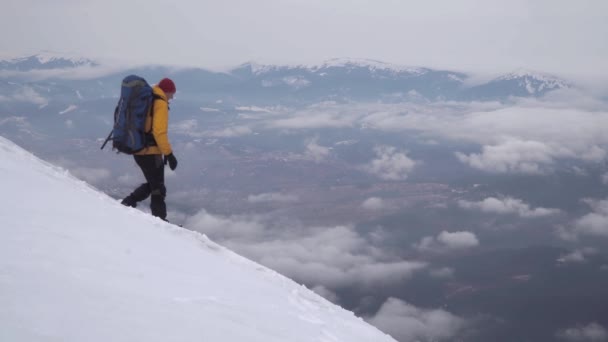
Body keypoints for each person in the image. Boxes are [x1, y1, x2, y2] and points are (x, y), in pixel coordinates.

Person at [121, 78, 178, 221]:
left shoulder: (149, 97)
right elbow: (159, 132)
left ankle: (129, 202)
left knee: (154, 184)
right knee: (158, 188)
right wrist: (169, 154)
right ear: (167, 91)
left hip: (138, 148)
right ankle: (160, 221)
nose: (171, 97)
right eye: (171, 94)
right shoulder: (160, 103)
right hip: (150, 152)